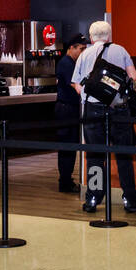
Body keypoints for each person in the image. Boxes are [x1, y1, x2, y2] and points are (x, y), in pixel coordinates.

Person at [72, 21, 136, 213]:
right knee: (123, 155)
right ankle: (130, 199)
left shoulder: (84, 54)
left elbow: (77, 84)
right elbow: (134, 76)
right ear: (109, 35)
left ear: (91, 36)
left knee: (95, 155)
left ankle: (93, 199)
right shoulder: (120, 50)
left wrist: (89, 95)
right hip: (119, 109)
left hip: (93, 111)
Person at [53, 34, 87, 193]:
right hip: (66, 109)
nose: (82, 52)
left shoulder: (71, 63)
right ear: (71, 48)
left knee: (70, 145)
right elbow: (75, 85)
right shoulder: (66, 64)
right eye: (81, 48)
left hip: (70, 108)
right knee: (67, 145)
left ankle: (66, 179)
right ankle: (64, 181)